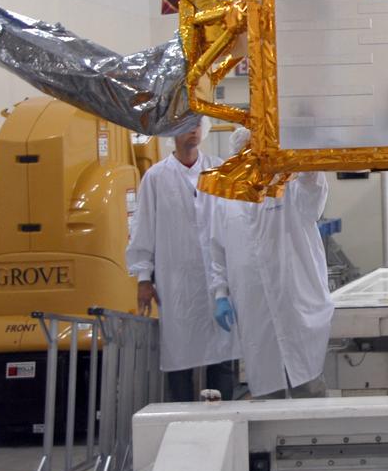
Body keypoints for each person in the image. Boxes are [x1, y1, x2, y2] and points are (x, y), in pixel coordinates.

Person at [201, 128, 335, 398]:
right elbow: (217, 251)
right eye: (246, 154)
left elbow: (313, 203)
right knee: (266, 393)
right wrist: (220, 294)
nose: (253, 160)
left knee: (308, 387)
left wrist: (307, 164)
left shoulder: (291, 186)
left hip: (296, 305)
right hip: (255, 308)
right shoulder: (226, 198)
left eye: (258, 151)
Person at [127, 117, 238, 401]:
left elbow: (234, 223)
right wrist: (143, 279)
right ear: (172, 133)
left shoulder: (218, 171)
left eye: (197, 125)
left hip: (217, 281)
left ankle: (224, 424)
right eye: (187, 125)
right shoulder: (156, 177)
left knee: (222, 356)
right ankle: (181, 423)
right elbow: (143, 230)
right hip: (176, 282)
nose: (194, 131)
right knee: (179, 358)